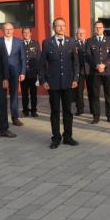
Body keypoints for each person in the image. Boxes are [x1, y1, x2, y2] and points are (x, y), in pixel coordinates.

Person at [39, 18, 80, 149]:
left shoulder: (72, 42)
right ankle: (56, 137)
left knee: (68, 111)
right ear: (54, 27)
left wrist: (75, 79)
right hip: (53, 83)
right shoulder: (47, 43)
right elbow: (41, 65)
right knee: (55, 111)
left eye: (63, 25)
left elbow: (75, 63)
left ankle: (68, 136)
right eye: (58, 26)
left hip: (68, 82)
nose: (61, 28)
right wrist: (43, 80)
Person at [86, 21, 110, 123]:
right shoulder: (89, 41)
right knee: (95, 95)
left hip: (107, 71)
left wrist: (105, 64)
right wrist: (96, 65)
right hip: (95, 72)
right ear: (94, 29)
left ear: (103, 29)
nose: (98, 29)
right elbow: (88, 56)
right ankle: (96, 116)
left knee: (108, 94)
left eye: (100, 27)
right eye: (96, 27)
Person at [0, 22, 26, 126]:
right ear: (2, 31)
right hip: (1, 74)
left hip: (15, 72)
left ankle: (15, 118)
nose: (9, 31)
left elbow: (23, 58)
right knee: (1, 97)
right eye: (6, 29)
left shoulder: (19, 42)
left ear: (13, 30)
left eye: (10, 29)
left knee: (14, 96)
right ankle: (2, 119)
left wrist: (22, 72)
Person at [20, 27, 41, 117]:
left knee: (33, 94)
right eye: (24, 32)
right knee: (24, 94)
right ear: (22, 34)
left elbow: (39, 58)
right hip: (23, 73)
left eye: (28, 32)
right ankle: (25, 110)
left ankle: (33, 110)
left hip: (33, 73)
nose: (26, 34)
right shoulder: (19, 44)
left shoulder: (35, 43)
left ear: (31, 33)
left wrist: (39, 72)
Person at [73, 27, 92, 116]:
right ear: (76, 35)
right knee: (79, 92)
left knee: (91, 91)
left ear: (85, 34)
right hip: (79, 71)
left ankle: (93, 109)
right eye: (79, 33)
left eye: (82, 33)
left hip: (89, 70)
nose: (81, 35)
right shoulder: (73, 44)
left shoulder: (89, 43)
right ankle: (80, 109)